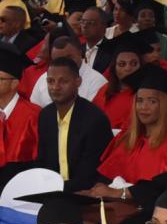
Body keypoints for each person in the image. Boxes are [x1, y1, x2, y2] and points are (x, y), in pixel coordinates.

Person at [99, 62, 167, 184]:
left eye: (152, 101)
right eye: (139, 101)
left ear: (164, 105)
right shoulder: (128, 138)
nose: (144, 107)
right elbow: (107, 175)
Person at [34, 56, 112, 188]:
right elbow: (43, 160)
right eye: (50, 81)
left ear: (78, 82)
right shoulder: (45, 115)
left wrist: (57, 189)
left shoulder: (95, 119)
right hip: (53, 189)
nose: (55, 87)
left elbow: (90, 173)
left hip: (85, 191)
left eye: (63, 81)